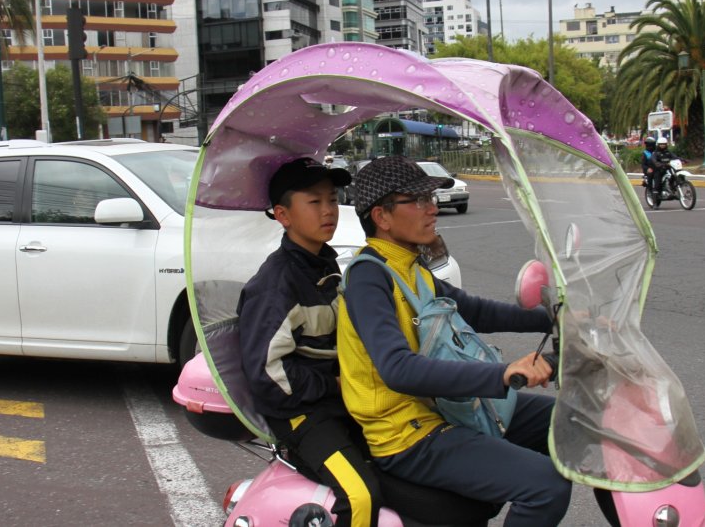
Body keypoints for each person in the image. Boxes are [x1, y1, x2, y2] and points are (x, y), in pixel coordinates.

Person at [336, 155, 572, 526]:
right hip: (407, 434)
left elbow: (475, 310)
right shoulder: (369, 278)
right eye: (417, 201)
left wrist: (558, 317)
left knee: (571, 420)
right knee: (546, 485)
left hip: (445, 409)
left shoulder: (411, 267)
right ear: (381, 216)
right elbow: (398, 370)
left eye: (431, 199)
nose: (432, 209)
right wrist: (502, 374)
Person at [236, 157, 383, 527]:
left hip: (342, 399)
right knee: (360, 495)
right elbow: (268, 376)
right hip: (303, 416)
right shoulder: (275, 285)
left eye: (332, 200)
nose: (329, 210)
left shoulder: (324, 264)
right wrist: (333, 384)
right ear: (283, 214)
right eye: (314, 202)